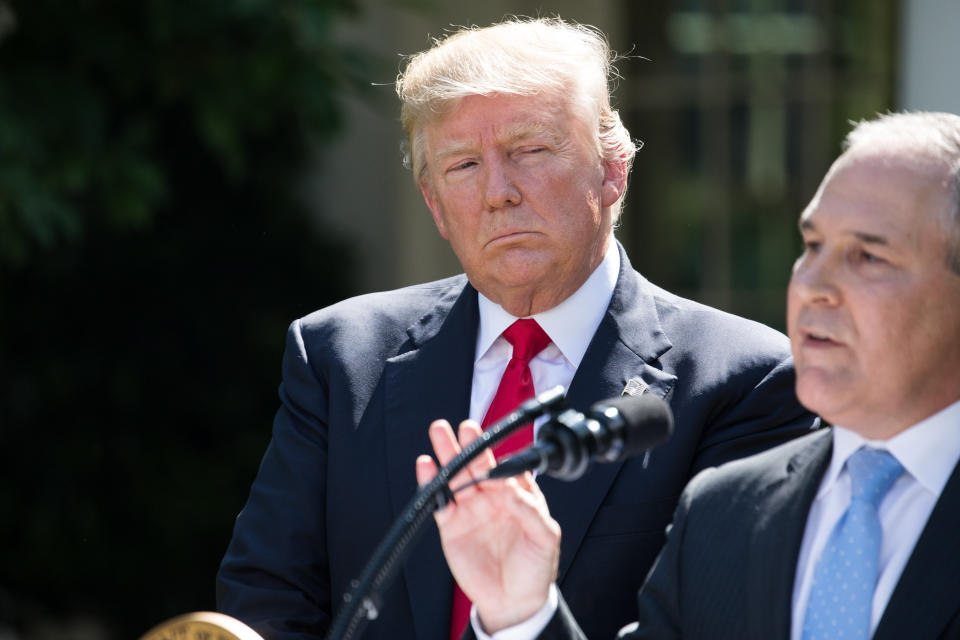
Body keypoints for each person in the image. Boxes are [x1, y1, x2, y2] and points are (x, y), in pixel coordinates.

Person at [216, 17, 816, 640]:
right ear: (434, 205)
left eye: (531, 151)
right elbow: (266, 603)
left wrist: (525, 623)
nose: (498, 192)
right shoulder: (341, 357)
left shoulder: (744, 382)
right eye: (464, 165)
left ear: (614, 169)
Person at [423, 111, 960, 640]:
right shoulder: (727, 508)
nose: (815, 283)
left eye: (867, 256)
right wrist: (523, 615)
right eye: (814, 246)